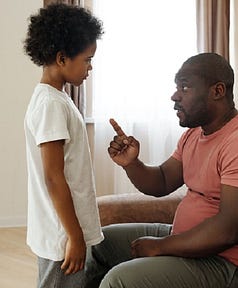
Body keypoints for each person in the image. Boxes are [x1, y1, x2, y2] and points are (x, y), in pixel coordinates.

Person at [85, 53, 238, 288]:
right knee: (96, 244)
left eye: (185, 87)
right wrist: (131, 163)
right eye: (177, 87)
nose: (174, 96)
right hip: (187, 241)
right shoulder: (194, 133)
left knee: (120, 281)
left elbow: (231, 230)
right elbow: (162, 182)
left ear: (217, 91)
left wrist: (160, 246)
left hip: (233, 265)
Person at [23, 3, 104, 288]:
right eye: (87, 59)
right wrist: (75, 236)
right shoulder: (51, 105)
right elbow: (54, 176)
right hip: (62, 233)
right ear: (61, 58)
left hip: (65, 229)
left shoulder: (58, 98)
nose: (90, 67)